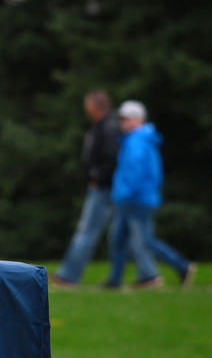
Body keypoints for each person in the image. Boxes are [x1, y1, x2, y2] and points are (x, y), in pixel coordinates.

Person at [103, 100, 195, 289]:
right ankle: (115, 279)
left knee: (144, 240)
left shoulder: (137, 140)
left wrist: (125, 193)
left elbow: (135, 171)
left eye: (125, 119)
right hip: (132, 198)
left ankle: (180, 266)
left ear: (137, 119)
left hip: (135, 199)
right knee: (119, 239)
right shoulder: (138, 139)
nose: (122, 123)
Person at [51, 90, 123, 287]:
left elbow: (110, 158)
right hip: (106, 187)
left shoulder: (107, 127)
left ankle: (69, 275)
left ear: (95, 106)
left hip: (103, 188)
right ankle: (148, 274)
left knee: (87, 231)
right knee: (124, 233)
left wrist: (96, 178)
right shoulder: (103, 125)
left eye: (88, 105)